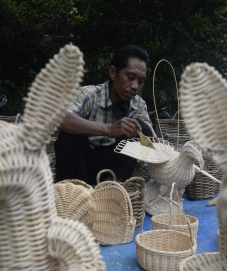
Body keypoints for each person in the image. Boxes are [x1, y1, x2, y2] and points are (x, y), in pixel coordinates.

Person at [54, 45, 156, 184]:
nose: (135, 86)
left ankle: (110, 187)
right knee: (69, 136)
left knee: (142, 129)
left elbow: (152, 141)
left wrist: (177, 152)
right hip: (80, 165)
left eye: (140, 81)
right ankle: (78, 191)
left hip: (112, 168)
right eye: (130, 77)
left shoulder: (138, 105)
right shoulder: (90, 95)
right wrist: (108, 129)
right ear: (113, 72)